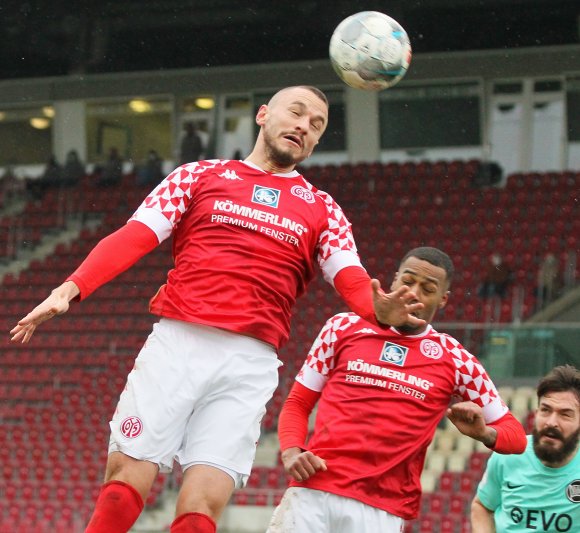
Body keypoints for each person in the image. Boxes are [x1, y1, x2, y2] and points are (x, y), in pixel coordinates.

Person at [10, 86, 424, 533]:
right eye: (297, 113)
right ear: (264, 115)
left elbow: (352, 280)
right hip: (178, 345)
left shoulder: (323, 209)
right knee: (123, 483)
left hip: (249, 365)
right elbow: (136, 236)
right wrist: (70, 288)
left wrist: (379, 309)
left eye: (317, 125)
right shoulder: (198, 176)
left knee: (201, 507)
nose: (304, 126)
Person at [267, 246, 528, 533]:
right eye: (408, 281)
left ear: (443, 299)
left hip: (381, 509)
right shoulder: (342, 327)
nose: (414, 293)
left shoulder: (455, 359)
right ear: (393, 280)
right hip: (312, 492)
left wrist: (484, 434)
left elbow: (516, 437)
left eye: (428, 288)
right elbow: (297, 403)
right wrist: (292, 451)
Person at [471, 365, 580, 532]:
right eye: (545, 410)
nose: (551, 422)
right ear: (536, 413)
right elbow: (482, 507)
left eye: (565, 414)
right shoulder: (509, 454)